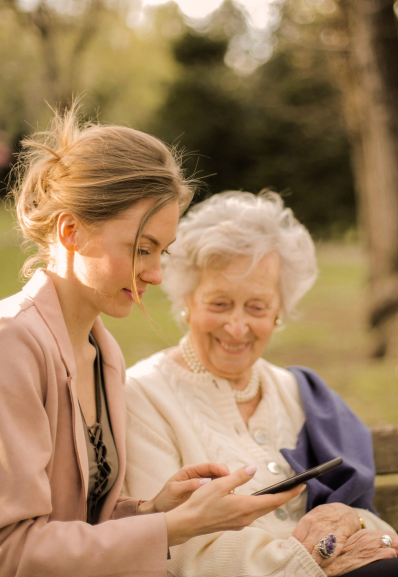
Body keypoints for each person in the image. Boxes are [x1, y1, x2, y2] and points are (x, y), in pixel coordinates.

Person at [0, 109, 303, 577]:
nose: (157, 274)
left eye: (162, 251)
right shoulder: (12, 345)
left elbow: (80, 522)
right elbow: (13, 551)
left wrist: (154, 509)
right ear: (71, 231)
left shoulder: (104, 353)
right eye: (141, 248)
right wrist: (171, 529)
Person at [123, 191, 398, 577]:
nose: (237, 327)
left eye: (257, 307)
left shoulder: (300, 392)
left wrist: (354, 520)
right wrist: (310, 562)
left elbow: (376, 526)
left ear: (279, 312)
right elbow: (183, 551)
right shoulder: (142, 396)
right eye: (219, 304)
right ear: (186, 301)